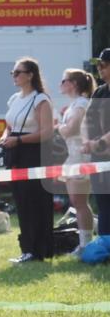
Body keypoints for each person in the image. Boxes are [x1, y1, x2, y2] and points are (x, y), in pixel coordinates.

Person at [0, 57, 55, 263]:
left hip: (35, 154)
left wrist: (18, 140)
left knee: (35, 201)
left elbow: (47, 132)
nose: (14, 76)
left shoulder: (40, 99)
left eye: (18, 72)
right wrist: (5, 138)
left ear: (30, 75)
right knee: (21, 201)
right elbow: (10, 125)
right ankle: (27, 248)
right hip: (17, 154)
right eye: (12, 72)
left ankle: (38, 249)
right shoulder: (14, 99)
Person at [59, 68, 96, 254]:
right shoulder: (75, 104)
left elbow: (71, 129)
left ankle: (85, 244)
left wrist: (59, 126)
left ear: (73, 84)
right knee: (78, 202)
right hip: (74, 155)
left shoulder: (81, 103)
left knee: (80, 202)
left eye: (64, 80)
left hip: (81, 156)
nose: (61, 84)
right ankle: (87, 239)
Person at [81, 48, 110, 236]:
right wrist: (86, 142)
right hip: (98, 159)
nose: (99, 68)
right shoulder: (99, 92)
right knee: (103, 205)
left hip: (102, 150)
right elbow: (86, 120)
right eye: (98, 65)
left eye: (104, 65)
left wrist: (99, 143)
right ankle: (105, 248)